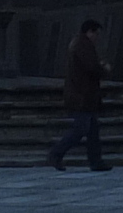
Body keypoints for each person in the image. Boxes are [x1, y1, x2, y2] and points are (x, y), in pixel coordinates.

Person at [45, 18, 113, 172]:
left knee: (93, 130)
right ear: (89, 32)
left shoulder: (80, 44)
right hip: (82, 96)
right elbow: (91, 67)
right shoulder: (83, 46)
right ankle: (56, 153)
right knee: (80, 129)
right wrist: (104, 68)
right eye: (96, 34)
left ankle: (96, 161)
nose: (97, 38)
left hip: (84, 95)